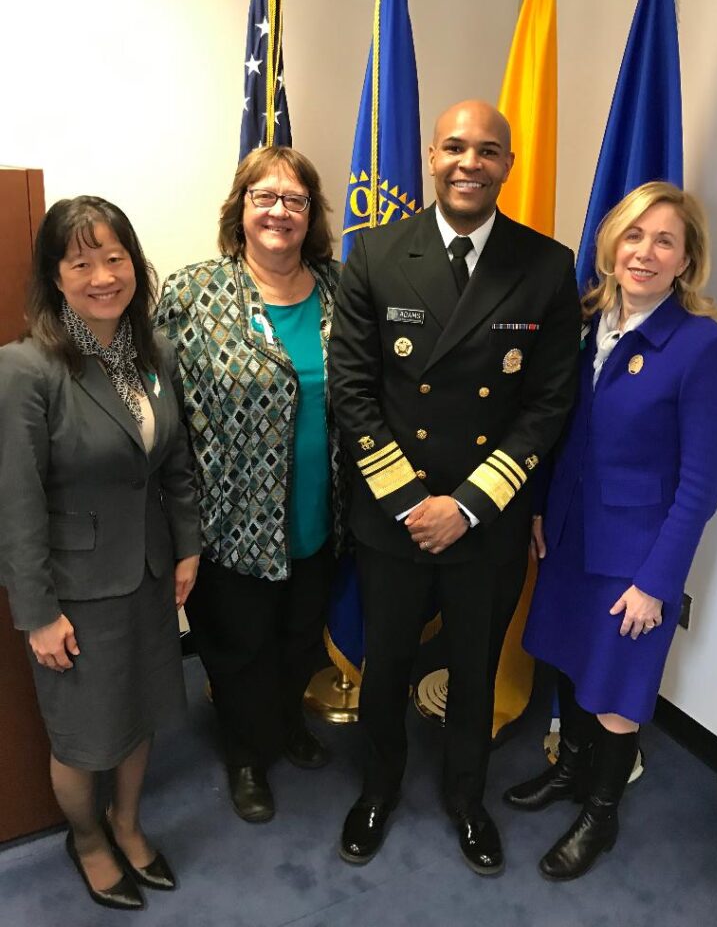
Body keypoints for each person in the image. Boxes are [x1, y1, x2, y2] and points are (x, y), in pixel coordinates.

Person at [328, 99, 582, 875]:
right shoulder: (372, 254)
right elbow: (352, 389)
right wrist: (413, 504)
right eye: (455, 148)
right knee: (390, 663)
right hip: (395, 520)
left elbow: (547, 404)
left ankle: (466, 798)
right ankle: (378, 789)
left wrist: (467, 506)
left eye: (488, 151)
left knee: (471, 670)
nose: (470, 163)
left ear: (508, 165)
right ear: (431, 158)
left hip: (486, 521)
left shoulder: (545, 264)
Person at [503, 182, 717, 881]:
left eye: (665, 240)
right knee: (569, 661)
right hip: (573, 532)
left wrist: (657, 583)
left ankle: (599, 813)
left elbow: (700, 484)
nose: (646, 252)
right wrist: (540, 506)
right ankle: (569, 771)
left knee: (619, 689)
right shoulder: (589, 320)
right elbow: (562, 430)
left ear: (687, 258)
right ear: (610, 244)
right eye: (634, 236)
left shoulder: (701, 346)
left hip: (635, 553)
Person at [0, 197, 200, 911]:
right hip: (75, 592)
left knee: (142, 711)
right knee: (85, 737)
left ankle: (128, 822)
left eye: (114, 257)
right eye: (81, 262)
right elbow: (15, 503)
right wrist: (38, 615)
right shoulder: (25, 371)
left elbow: (173, 465)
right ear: (56, 277)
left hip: (148, 575)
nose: (102, 275)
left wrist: (186, 549)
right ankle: (87, 839)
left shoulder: (155, 356)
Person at [156, 145, 344, 825]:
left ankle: (287, 724)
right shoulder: (192, 292)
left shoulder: (340, 291)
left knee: (300, 639)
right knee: (239, 652)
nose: (279, 211)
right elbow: (161, 409)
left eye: (294, 200)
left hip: (321, 516)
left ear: (310, 217)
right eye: (264, 196)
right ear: (240, 209)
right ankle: (244, 754)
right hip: (229, 523)